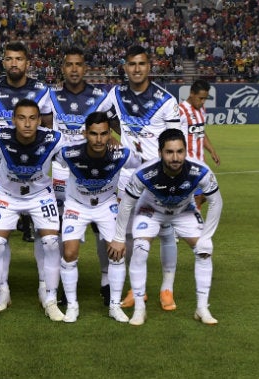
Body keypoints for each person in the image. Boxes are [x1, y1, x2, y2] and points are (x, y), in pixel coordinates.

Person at [107, 129, 223, 326]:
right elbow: (126, 204)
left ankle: (202, 308)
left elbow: (216, 202)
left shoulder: (200, 171)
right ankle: (139, 310)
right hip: (150, 210)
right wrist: (118, 238)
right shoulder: (145, 173)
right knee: (140, 249)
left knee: (205, 249)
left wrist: (206, 236)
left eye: (180, 151)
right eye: (169, 152)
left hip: (183, 210)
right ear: (160, 153)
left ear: (186, 151)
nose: (175, 157)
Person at [104, 45, 182, 311]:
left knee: (166, 231)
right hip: (126, 176)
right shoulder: (115, 94)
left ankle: (166, 289)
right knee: (126, 234)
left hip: (159, 175)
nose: (136, 69)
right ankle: (135, 289)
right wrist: (112, 136)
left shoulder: (166, 100)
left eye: (141, 64)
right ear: (125, 67)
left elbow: (176, 142)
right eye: (131, 64)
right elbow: (97, 120)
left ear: (149, 67)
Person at [0, 99, 65, 323]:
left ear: (39, 120)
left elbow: (76, 153)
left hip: (40, 195)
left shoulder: (53, 138)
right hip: (8, 196)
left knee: (51, 243)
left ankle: (50, 298)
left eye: (32, 118)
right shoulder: (0, 136)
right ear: (12, 120)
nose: (27, 123)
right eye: (21, 118)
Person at [56, 112, 140, 323]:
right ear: (85, 133)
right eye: (93, 134)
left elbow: (141, 163)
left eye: (104, 134)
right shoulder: (69, 153)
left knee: (117, 252)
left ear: (110, 134)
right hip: (76, 205)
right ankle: (73, 305)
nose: (99, 139)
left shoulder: (121, 154)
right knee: (69, 252)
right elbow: (47, 158)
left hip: (106, 205)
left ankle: (114, 306)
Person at [49, 46, 114, 306]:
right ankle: (61, 284)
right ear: (62, 68)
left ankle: (107, 280)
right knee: (61, 230)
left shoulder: (101, 96)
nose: (74, 69)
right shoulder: (50, 96)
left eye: (78, 64)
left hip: (93, 171)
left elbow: (113, 128)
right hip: (60, 170)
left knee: (102, 228)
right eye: (69, 64)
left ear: (85, 67)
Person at [179, 79, 221, 209]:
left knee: (207, 195)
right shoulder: (180, 111)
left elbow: (201, 132)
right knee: (198, 198)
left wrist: (212, 150)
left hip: (200, 162)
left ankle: (180, 219)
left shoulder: (201, 109)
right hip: (186, 164)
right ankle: (194, 227)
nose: (203, 102)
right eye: (200, 98)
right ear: (192, 93)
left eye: (205, 99)